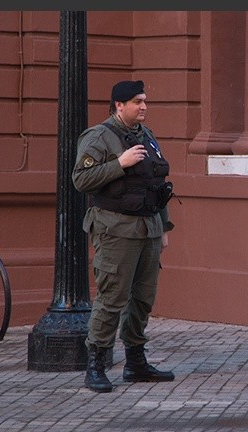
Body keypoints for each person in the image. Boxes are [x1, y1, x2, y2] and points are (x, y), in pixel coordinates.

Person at [72, 80, 176, 393]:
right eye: (136, 102)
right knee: (112, 297)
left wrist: (163, 226)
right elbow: (81, 179)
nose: (143, 106)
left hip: (148, 230)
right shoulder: (99, 136)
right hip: (115, 229)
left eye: (144, 101)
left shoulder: (147, 136)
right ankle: (96, 364)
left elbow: (157, 186)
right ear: (119, 105)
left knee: (143, 298)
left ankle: (135, 362)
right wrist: (119, 163)